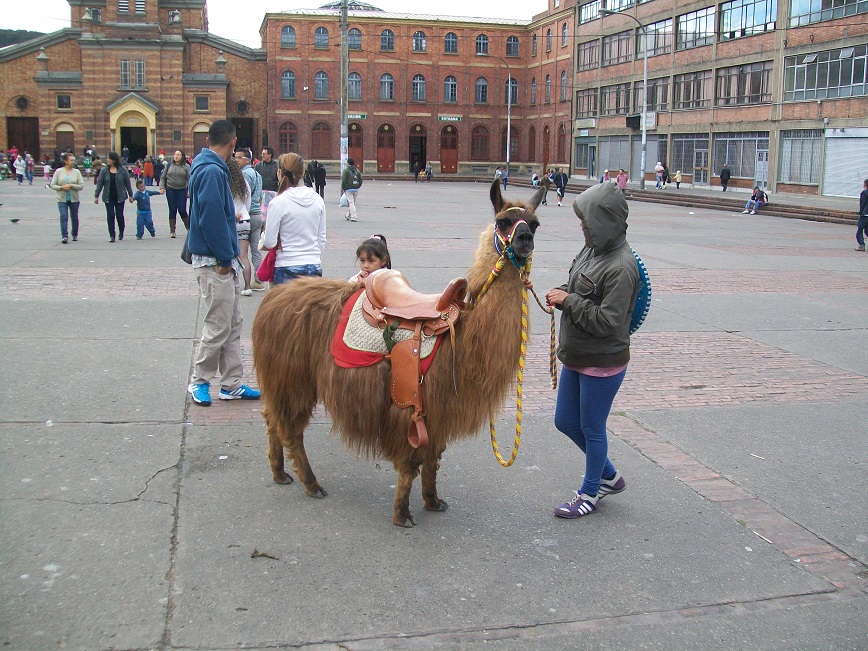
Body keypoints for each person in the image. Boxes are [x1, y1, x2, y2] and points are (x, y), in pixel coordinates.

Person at [544, 182, 639, 519]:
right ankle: (610, 476)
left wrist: (568, 301)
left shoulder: (622, 267)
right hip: (578, 354)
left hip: (603, 361)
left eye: (587, 221)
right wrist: (563, 291)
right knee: (565, 421)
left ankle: (590, 492)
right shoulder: (592, 249)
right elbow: (578, 283)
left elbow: (609, 321)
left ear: (605, 220)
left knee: (592, 428)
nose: (582, 227)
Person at [186, 119, 260, 407]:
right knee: (218, 324)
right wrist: (223, 260)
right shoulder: (212, 172)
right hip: (216, 261)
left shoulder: (207, 168)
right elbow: (211, 219)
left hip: (221, 259)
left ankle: (231, 383)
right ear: (232, 143)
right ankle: (200, 380)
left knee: (231, 323)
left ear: (208, 141)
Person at [261, 152, 326, 285]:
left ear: (279, 172)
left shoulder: (278, 202)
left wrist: (263, 236)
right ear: (302, 173)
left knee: (284, 306)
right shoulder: (317, 199)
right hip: (313, 265)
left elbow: (269, 242)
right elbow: (321, 238)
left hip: (286, 265)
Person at [235, 149, 264, 290]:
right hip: (257, 213)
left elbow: (243, 196)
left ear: (248, 159)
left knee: (243, 253)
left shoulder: (244, 174)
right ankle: (259, 280)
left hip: (247, 214)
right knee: (256, 250)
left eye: (239, 158)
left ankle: (247, 283)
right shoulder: (257, 173)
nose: (236, 160)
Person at [227, 156, 253, 295]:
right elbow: (248, 203)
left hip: (230, 220)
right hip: (244, 219)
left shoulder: (224, 182)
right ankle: (247, 286)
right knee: (243, 255)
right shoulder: (244, 183)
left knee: (230, 255)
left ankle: (233, 286)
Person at [94, 151, 133, 242]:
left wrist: (131, 195)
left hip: (120, 196)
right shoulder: (104, 171)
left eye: (109, 158)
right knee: (110, 215)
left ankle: (121, 231)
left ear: (114, 160)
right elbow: (100, 184)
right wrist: (96, 196)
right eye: (107, 158)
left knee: (119, 215)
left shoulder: (122, 170)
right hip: (108, 196)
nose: (107, 160)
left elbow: (127, 183)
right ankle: (112, 234)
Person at [50, 152, 84, 244]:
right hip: (62, 199)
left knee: (74, 217)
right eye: (71, 160)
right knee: (63, 216)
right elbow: (52, 185)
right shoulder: (59, 171)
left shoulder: (77, 172)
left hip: (74, 199)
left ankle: (75, 234)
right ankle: (64, 236)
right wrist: (61, 187)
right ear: (65, 161)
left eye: (74, 160)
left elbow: (81, 186)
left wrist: (71, 185)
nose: (73, 162)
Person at [160, 150, 191, 237]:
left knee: (182, 210)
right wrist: (162, 187)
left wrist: (189, 190)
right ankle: (172, 231)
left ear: (182, 157)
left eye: (178, 155)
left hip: (182, 190)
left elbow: (189, 179)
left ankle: (189, 228)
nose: (176, 156)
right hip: (170, 189)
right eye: (175, 154)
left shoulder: (186, 167)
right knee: (172, 210)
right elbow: (163, 177)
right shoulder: (169, 165)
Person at [341, 157, 363, 222]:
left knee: (351, 203)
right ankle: (348, 215)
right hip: (356, 189)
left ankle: (354, 217)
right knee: (352, 203)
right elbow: (360, 180)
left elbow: (343, 180)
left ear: (348, 163)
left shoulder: (346, 171)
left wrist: (344, 188)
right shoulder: (357, 171)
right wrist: (358, 186)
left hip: (349, 189)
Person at [857, 179, 868, 252]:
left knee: (859, 230)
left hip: (865, 214)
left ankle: (861, 245)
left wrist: (861, 212)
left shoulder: (864, 193)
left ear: (865, 184)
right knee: (867, 231)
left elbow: (862, 204)